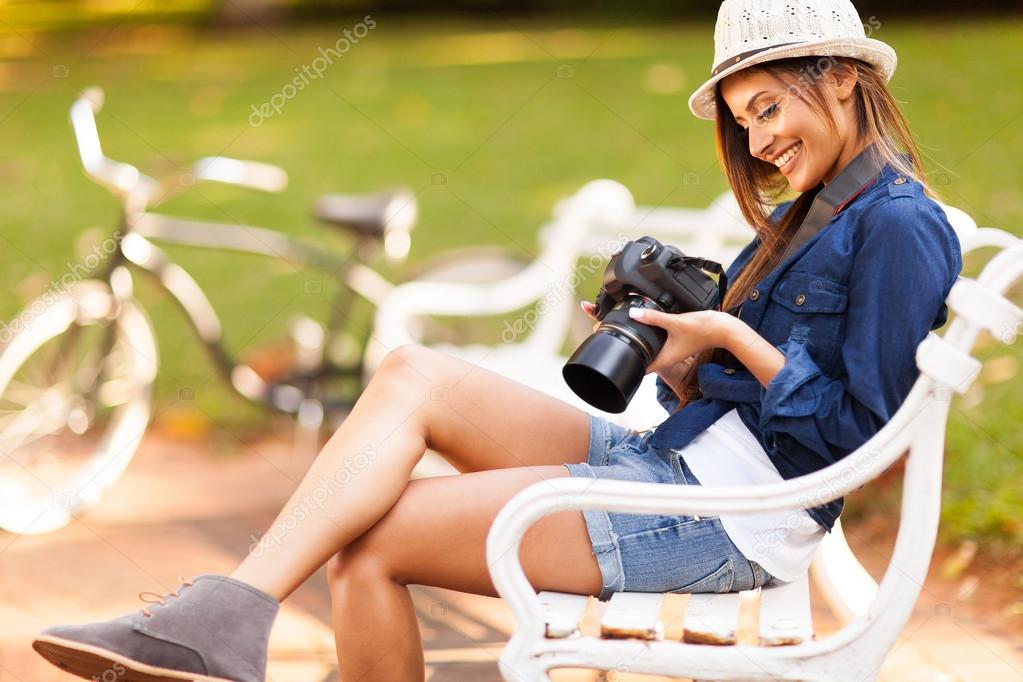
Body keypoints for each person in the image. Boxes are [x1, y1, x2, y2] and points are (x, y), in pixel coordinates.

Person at [32, 0, 962, 680]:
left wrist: (727, 334)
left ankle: (219, 622)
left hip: (735, 511)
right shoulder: (814, 212)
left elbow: (857, 443)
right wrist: (683, 363)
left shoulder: (898, 225)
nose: (757, 140)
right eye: (746, 117)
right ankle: (226, 613)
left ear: (843, 77)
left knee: (370, 548)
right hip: (685, 464)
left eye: (769, 108)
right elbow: (767, 399)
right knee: (412, 372)